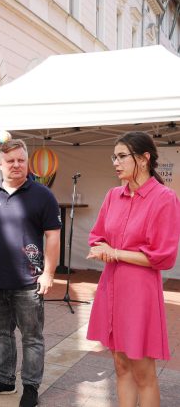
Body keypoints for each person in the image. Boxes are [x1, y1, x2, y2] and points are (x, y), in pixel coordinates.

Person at [86, 132, 180, 407]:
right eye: (113, 157)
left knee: (143, 372)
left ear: (144, 158)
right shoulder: (113, 195)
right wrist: (103, 247)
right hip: (111, 286)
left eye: (122, 156)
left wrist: (114, 252)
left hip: (139, 291)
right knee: (120, 364)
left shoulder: (164, 198)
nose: (115, 162)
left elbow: (163, 256)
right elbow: (96, 235)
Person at [0, 138, 61, 407]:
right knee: (1, 334)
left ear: (27, 161)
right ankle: (5, 380)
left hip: (28, 282)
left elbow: (53, 236)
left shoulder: (43, 195)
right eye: (10, 161)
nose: (16, 165)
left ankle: (30, 387)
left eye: (21, 160)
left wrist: (49, 273)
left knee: (32, 337)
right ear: (0, 164)